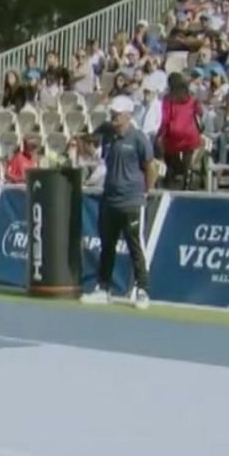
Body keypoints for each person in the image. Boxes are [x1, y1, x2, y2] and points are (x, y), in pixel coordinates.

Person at [82, 96, 156, 308]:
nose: (113, 116)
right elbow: (91, 148)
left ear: (127, 115)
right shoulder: (108, 136)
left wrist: (145, 192)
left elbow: (150, 166)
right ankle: (103, 288)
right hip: (109, 200)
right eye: (112, 112)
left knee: (135, 246)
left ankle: (142, 290)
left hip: (131, 201)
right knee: (107, 246)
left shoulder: (139, 138)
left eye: (117, 113)